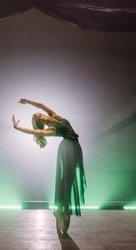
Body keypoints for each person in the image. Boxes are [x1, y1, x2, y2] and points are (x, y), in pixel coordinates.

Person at [12, 98, 86, 234]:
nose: (40, 116)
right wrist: (18, 128)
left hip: (76, 147)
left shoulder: (56, 116)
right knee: (67, 180)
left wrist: (26, 101)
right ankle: (64, 210)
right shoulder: (51, 130)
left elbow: (41, 105)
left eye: (39, 114)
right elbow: (37, 132)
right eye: (38, 119)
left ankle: (59, 210)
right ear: (40, 123)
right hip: (67, 148)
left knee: (69, 180)